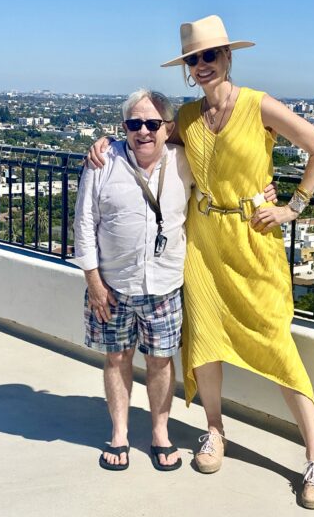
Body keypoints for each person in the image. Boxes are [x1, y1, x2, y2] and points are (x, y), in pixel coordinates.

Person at [88, 15, 314, 509]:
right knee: (204, 343)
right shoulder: (188, 116)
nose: (201, 65)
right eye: (192, 59)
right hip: (201, 243)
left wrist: (291, 206)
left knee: (277, 345)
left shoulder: (257, 104)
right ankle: (214, 432)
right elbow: (145, 136)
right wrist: (104, 145)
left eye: (209, 56)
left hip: (252, 239)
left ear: (227, 57)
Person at [73, 89, 192, 471]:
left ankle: (160, 432)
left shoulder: (184, 162)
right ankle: (120, 433)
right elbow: (84, 223)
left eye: (153, 123)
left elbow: (228, 183)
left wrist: (271, 194)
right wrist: (94, 282)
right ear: (123, 126)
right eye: (134, 123)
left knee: (160, 361)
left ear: (168, 127)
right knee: (116, 358)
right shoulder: (103, 161)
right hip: (112, 285)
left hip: (164, 283)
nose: (143, 131)